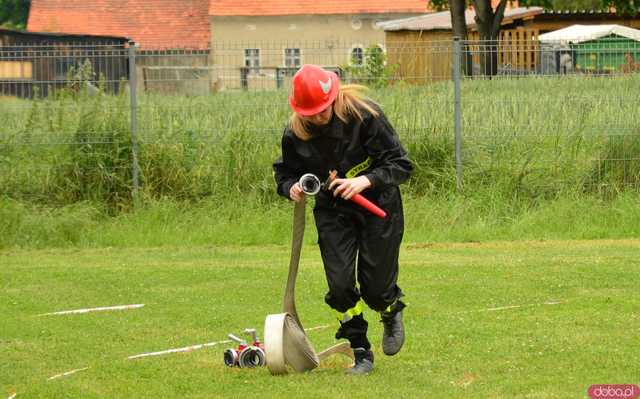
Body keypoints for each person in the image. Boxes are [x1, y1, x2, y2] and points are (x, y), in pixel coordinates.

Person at [273, 64, 412, 375]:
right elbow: (284, 173)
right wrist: (291, 187)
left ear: (334, 97)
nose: (318, 118)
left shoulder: (366, 117)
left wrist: (364, 181)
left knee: (375, 288)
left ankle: (390, 310)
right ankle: (360, 349)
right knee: (339, 285)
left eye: (323, 110)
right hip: (333, 212)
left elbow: (401, 164)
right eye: (311, 113)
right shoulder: (294, 133)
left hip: (379, 207)